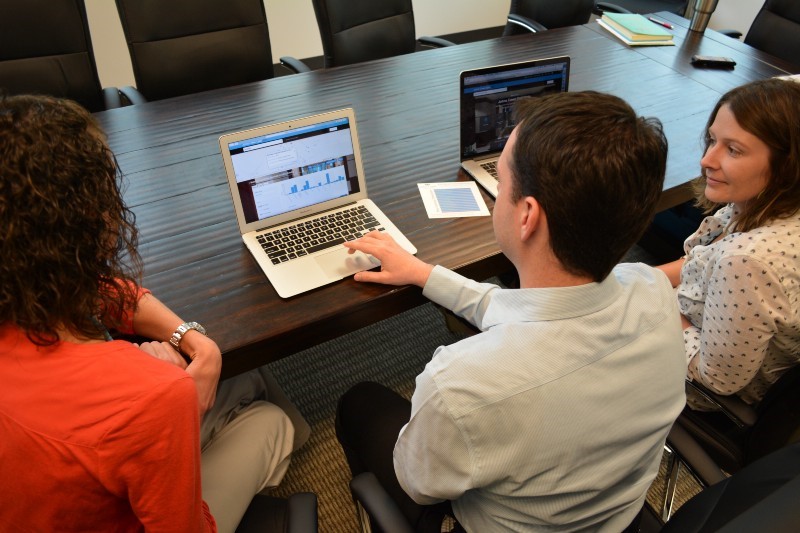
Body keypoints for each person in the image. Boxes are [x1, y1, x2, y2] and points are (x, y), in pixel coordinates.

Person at [335, 91, 687, 531]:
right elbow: (522, 312)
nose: (497, 194)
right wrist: (424, 274)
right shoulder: (654, 293)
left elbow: (419, 485)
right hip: (618, 517)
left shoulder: (459, 385)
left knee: (359, 403)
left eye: (500, 184)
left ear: (527, 216)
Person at [0, 94, 308, 532]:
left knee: (243, 379)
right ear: (94, 217)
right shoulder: (150, 396)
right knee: (272, 421)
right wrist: (165, 396)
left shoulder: (22, 284)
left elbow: (100, 291)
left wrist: (191, 338)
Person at [656, 78, 800, 408]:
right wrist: (642, 278)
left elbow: (717, 379)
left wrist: (656, 305)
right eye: (712, 140)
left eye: (733, 150)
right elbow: (699, 263)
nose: (707, 159)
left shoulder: (747, 261)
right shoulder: (765, 204)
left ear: (786, 165)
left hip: (693, 390)